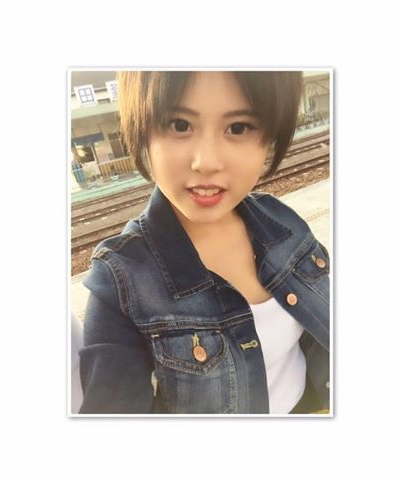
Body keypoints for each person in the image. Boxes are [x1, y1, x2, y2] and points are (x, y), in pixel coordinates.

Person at [78, 70, 330, 414]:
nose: (206, 162)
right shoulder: (120, 280)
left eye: (238, 127)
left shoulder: (282, 223)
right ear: (142, 129)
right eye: (179, 125)